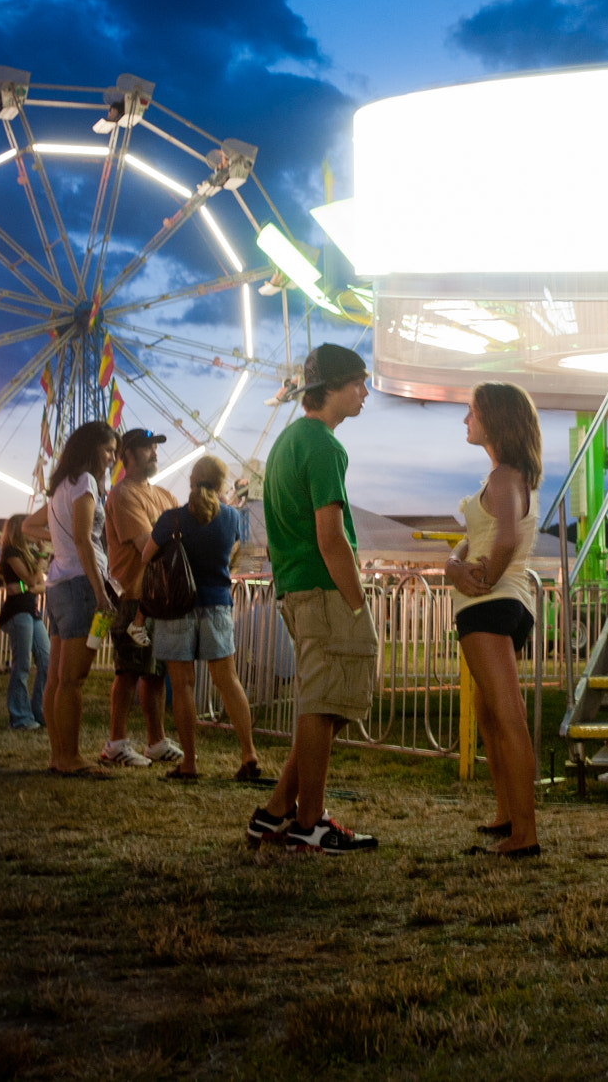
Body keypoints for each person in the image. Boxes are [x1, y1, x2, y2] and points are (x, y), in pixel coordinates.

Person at [245, 344, 380, 852]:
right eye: (357, 384)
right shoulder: (324, 447)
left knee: (320, 705)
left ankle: (278, 812)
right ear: (333, 389)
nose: (364, 393)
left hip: (295, 586)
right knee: (327, 704)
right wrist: (357, 600)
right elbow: (332, 536)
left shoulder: (285, 443)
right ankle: (310, 824)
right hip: (324, 591)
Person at [445, 382, 544, 857]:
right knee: (489, 712)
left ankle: (524, 834)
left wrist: (481, 577)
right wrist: (453, 566)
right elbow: (476, 539)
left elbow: (503, 539)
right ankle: (507, 814)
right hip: (501, 600)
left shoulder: (506, 476)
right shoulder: (502, 478)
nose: (465, 420)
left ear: (495, 419)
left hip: (492, 604)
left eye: (472, 412)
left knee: (507, 714)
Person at [147, 455, 262, 783]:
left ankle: (190, 763)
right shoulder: (231, 518)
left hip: (178, 606)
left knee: (183, 685)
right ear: (223, 484)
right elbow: (233, 554)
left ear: (191, 481)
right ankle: (249, 752)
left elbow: (146, 556)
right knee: (228, 680)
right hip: (217, 604)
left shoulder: (172, 520)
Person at [29, 420, 118, 779]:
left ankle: (58, 753)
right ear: (91, 448)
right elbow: (84, 539)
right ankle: (71, 757)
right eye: (109, 449)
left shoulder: (59, 488)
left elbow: (29, 527)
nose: (113, 457)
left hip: (58, 585)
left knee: (56, 679)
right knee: (73, 680)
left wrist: (58, 547)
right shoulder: (86, 483)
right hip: (83, 584)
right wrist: (101, 593)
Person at [100, 429, 181, 767]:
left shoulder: (163, 495)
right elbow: (146, 543)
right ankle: (115, 743)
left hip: (159, 596)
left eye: (155, 448)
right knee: (129, 671)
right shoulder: (121, 495)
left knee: (154, 673)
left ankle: (156, 741)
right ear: (127, 455)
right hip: (133, 596)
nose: (154, 453)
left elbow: (177, 536)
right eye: (147, 448)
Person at [0, 513, 48, 730]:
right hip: (17, 612)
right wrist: (42, 557)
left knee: (47, 661)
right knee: (23, 664)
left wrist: (26, 586)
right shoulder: (11, 552)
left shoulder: (27, 553)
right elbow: (31, 578)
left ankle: (39, 710)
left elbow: (39, 586)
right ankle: (20, 717)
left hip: (30, 609)